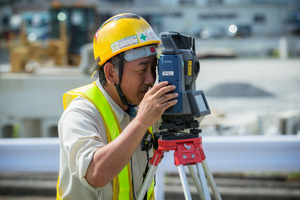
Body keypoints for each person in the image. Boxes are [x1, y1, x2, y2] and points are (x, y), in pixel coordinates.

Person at [56, 13, 178, 200]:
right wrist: (142, 122)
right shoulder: (80, 113)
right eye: (141, 68)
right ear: (111, 73)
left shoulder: (140, 106)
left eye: (154, 68)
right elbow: (96, 173)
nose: (151, 79)